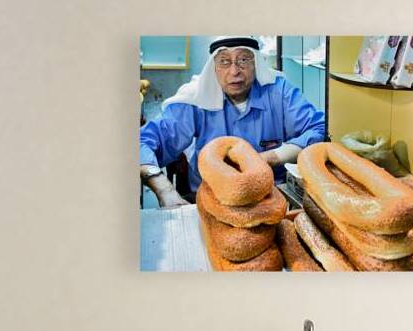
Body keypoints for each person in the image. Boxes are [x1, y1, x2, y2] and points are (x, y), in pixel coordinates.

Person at [140, 36, 326, 207]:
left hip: (271, 196)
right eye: (224, 61)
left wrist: (269, 158)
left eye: (243, 60)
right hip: (211, 197)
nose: (234, 71)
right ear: (213, 67)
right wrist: (165, 190)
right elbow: (142, 142)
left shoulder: (278, 92)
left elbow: (319, 128)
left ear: (256, 63)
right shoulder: (196, 98)